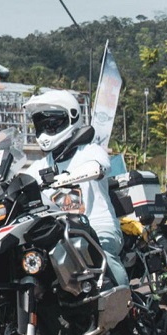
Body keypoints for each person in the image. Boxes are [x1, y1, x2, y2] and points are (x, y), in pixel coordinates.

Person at [23, 90, 127, 288]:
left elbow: (100, 166)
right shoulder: (39, 166)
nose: (45, 130)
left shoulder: (90, 151)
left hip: (98, 226)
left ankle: (124, 302)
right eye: (40, 125)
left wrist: (70, 177)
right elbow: (20, 183)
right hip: (59, 234)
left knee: (104, 256)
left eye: (51, 124)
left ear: (71, 118)